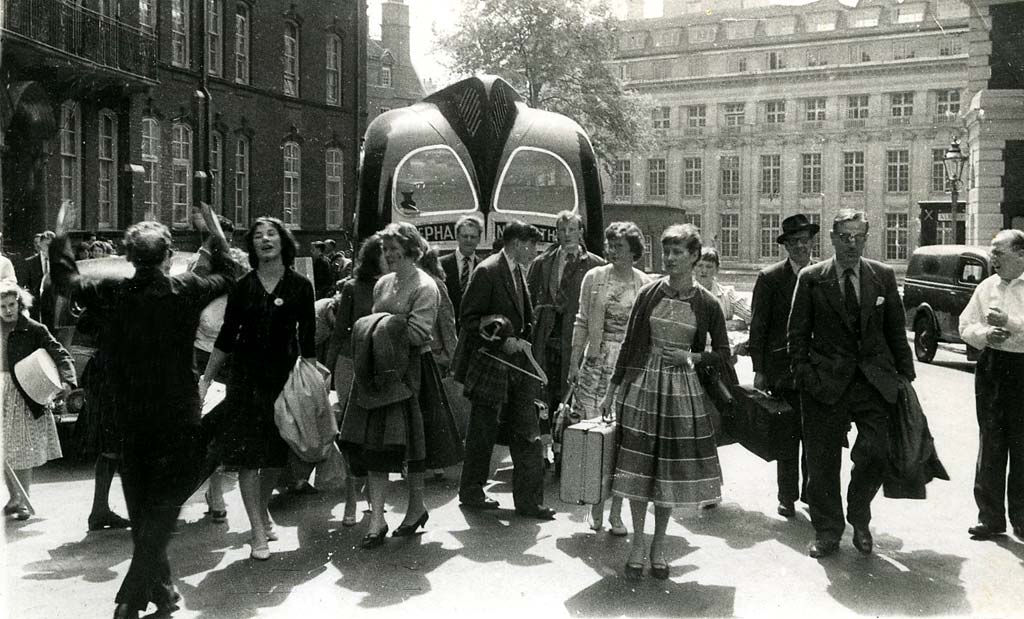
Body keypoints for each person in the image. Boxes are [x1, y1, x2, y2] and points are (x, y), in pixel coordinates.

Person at [50, 202, 234, 619]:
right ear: (169, 257)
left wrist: (61, 235)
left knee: (140, 505)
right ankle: (137, 595)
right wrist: (218, 237)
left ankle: (156, 592)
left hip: (129, 415)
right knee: (164, 507)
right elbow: (232, 276)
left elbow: (65, 279)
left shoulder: (112, 293)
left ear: (131, 259)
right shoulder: (186, 290)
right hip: (177, 415)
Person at [598, 224, 729, 580]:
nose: (670, 258)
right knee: (639, 469)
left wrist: (691, 358)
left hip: (682, 394)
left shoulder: (707, 303)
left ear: (694, 257)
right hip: (643, 389)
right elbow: (629, 344)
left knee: (667, 474)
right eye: (666, 252)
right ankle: (638, 542)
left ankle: (659, 545)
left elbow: (723, 353)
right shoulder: (649, 293)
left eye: (678, 252)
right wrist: (613, 390)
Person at [788, 209, 915, 558]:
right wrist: (805, 375)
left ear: (865, 238)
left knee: (876, 450)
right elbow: (796, 334)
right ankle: (828, 531)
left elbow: (895, 331)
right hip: (824, 382)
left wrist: (905, 377)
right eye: (844, 236)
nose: (852, 243)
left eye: (858, 236)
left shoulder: (882, 276)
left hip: (872, 382)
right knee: (822, 462)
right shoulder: (813, 278)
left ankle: (859, 514)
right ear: (831, 238)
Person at [338, 222, 463, 548]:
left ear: (411, 251)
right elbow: (378, 325)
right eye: (386, 250)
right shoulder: (382, 284)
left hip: (413, 372)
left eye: (395, 249)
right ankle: (377, 519)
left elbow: (419, 333)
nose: (389, 255)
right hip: (377, 371)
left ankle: (415, 507)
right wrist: (381, 331)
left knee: (414, 446)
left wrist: (380, 329)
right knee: (374, 446)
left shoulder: (427, 286)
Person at [199, 217, 316, 562]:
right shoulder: (243, 287)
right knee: (249, 458)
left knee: (277, 457)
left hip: (283, 382)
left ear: (284, 242)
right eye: (258, 236)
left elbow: (307, 340)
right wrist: (207, 378)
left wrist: (313, 379)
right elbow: (226, 337)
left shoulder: (300, 286)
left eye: (272, 234)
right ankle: (255, 530)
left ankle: (262, 510)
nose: (265, 240)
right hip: (245, 382)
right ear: (252, 247)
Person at [455, 221, 556, 520]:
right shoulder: (488, 271)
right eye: (532, 246)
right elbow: (468, 320)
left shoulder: (515, 270)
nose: (535, 252)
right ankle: (472, 491)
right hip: (494, 364)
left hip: (517, 365)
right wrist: (503, 340)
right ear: (517, 243)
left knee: (525, 429)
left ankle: (528, 502)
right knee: (483, 431)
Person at [568, 222, 650, 536]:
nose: (613, 251)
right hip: (596, 363)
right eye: (611, 245)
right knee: (594, 438)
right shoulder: (594, 277)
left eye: (620, 246)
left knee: (622, 439)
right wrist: (574, 364)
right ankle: (595, 507)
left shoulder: (644, 283)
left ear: (634, 250)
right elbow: (581, 321)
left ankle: (617, 513)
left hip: (627, 366)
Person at [747, 213, 819, 518]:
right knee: (787, 434)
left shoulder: (824, 274)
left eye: (805, 241)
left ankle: (813, 494)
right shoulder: (770, 278)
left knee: (816, 436)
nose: (801, 247)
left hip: (818, 371)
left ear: (812, 242)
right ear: (785, 246)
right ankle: (786, 496)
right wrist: (760, 369)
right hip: (782, 370)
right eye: (794, 243)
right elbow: (758, 327)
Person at [959, 228, 1024, 541]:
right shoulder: (986, 287)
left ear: (1021, 254)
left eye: (999, 252)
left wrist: (1008, 324)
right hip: (994, 368)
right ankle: (990, 517)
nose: (992, 258)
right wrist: (985, 335)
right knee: (991, 442)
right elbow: (965, 325)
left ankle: (1022, 518)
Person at [528, 211, 605, 457]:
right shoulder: (543, 262)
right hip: (547, 334)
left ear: (581, 232)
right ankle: (543, 448)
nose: (567, 235)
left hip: (576, 337)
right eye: (562, 230)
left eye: (572, 229)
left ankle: (565, 450)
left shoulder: (596, 265)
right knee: (543, 388)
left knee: (572, 391)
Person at [325, 234, 387, 527]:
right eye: (386, 254)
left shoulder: (397, 286)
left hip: (382, 369)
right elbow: (339, 332)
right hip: (351, 364)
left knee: (377, 435)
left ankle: (374, 500)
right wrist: (326, 372)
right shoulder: (353, 287)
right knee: (351, 434)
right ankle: (351, 496)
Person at [2, 281, 76, 521]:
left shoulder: (34, 328)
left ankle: (23, 499)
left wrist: (67, 380)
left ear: (20, 304)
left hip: (24, 392)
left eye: (11, 305)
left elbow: (60, 353)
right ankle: (14, 497)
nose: (7, 311)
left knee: (22, 449)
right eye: (1, 306)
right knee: (5, 450)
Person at [440, 215, 483, 330]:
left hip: (474, 333)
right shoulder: (441, 264)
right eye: (465, 236)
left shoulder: (484, 268)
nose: (468, 240)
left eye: (473, 237)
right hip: (447, 330)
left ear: (479, 239)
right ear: (457, 237)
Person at [694, 247, 751, 329]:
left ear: (717, 269)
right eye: (700, 266)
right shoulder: (684, 293)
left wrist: (740, 324)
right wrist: (724, 325)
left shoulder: (727, 295)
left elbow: (753, 316)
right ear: (693, 268)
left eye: (709, 267)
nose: (704, 271)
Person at [19, 229, 55, 328]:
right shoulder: (30, 263)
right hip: (36, 307)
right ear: (40, 244)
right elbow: (23, 285)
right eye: (47, 245)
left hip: (54, 307)